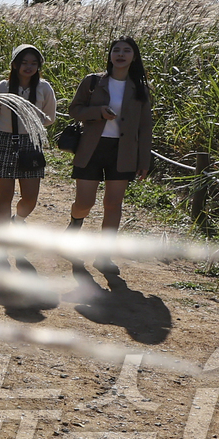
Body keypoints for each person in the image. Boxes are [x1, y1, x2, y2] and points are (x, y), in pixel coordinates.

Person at [65, 36, 154, 273]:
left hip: (123, 151)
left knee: (113, 204)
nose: (121, 54)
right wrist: (98, 112)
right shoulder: (93, 81)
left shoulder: (140, 89)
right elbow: (75, 110)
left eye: (127, 50)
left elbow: (145, 127)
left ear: (134, 57)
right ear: (110, 55)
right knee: (85, 202)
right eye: (116, 50)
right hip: (92, 148)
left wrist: (144, 160)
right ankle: (75, 222)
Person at [0, 44, 57, 225]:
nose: (29, 67)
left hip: (31, 144)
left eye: (34, 63)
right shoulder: (2, 87)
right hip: (4, 141)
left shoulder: (44, 88)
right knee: (5, 196)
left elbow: (50, 117)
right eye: (24, 62)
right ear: (14, 64)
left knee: (30, 199)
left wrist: (33, 124)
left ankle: (18, 220)